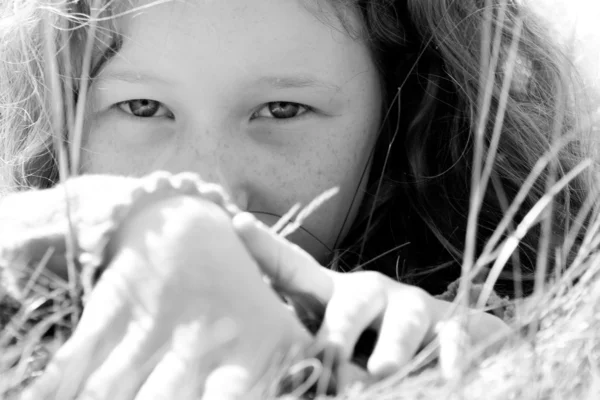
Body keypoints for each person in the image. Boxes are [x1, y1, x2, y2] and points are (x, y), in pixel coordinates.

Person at [0, 0, 596, 398]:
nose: (212, 185)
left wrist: (386, 346)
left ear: (401, 117)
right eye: (143, 108)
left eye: (282, 111)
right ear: (59, 121)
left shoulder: (448, 339)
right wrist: (144, 223)